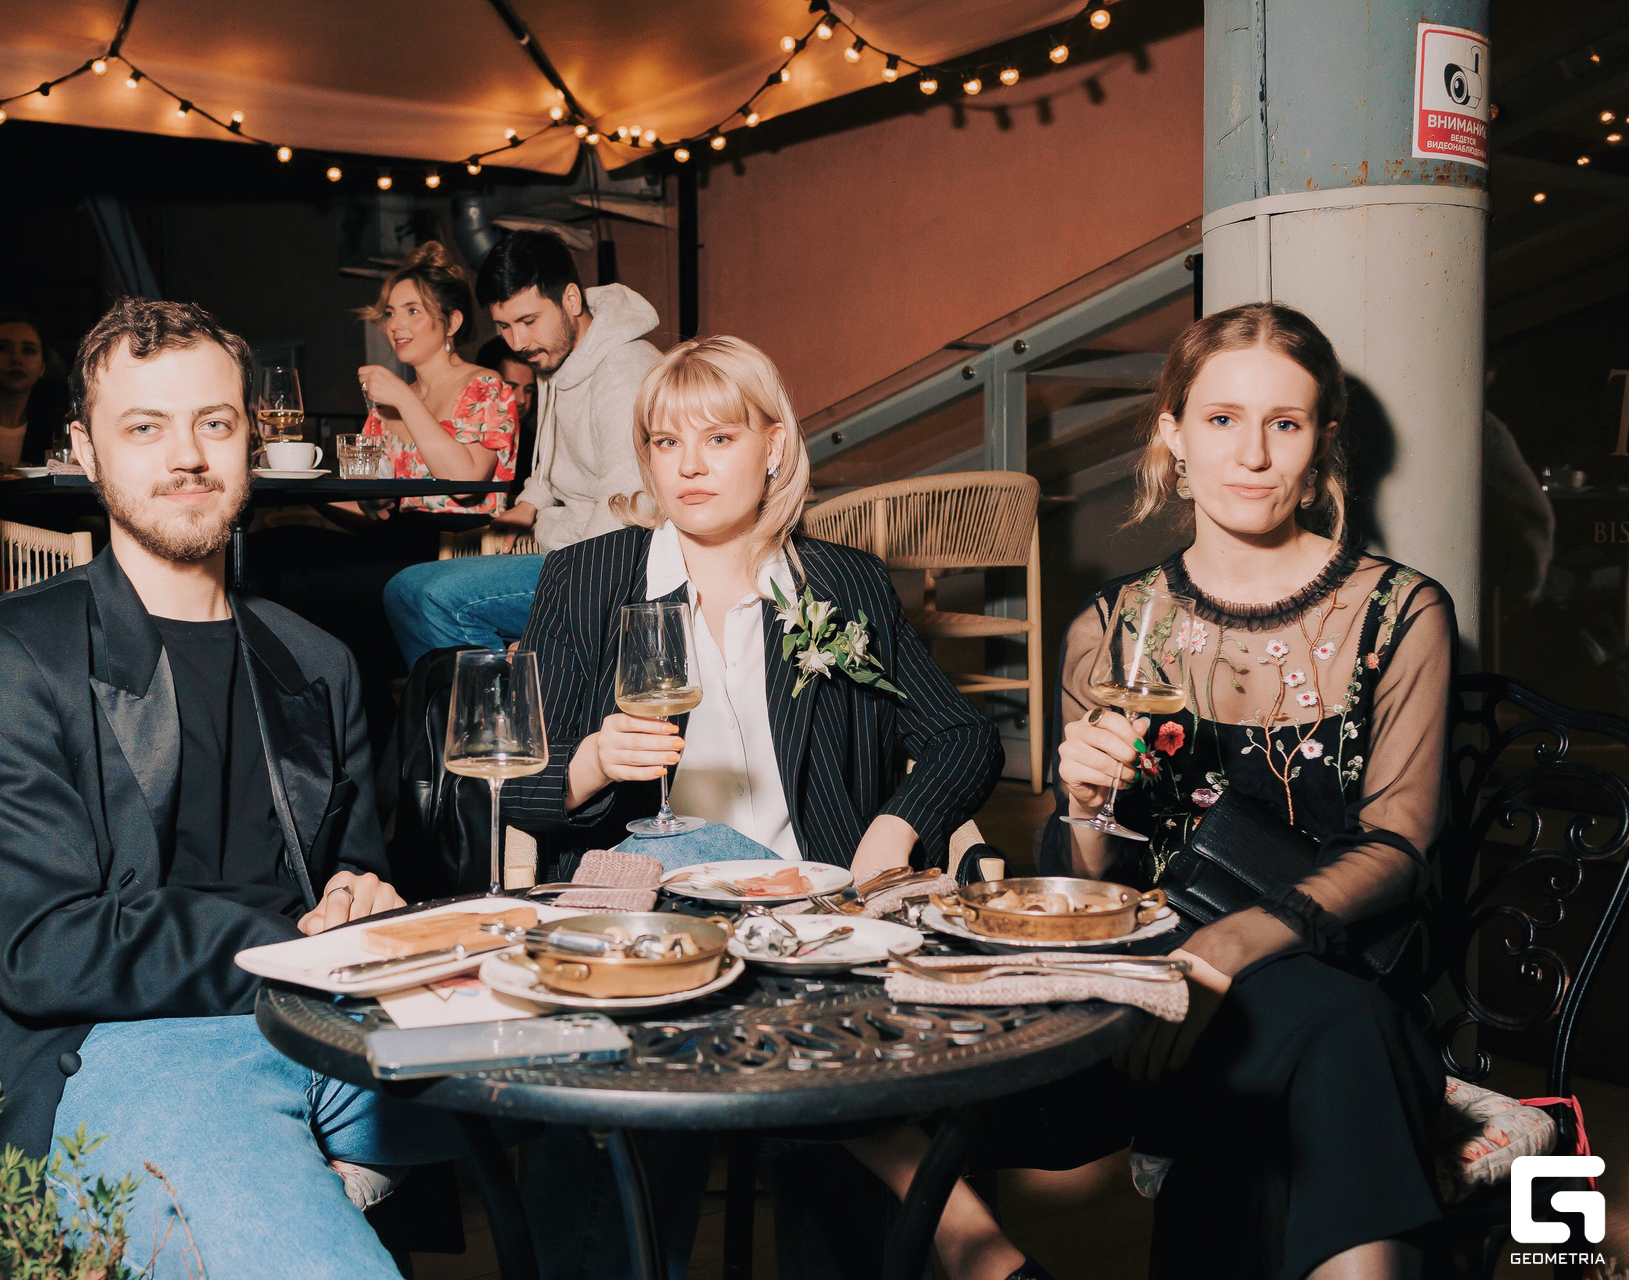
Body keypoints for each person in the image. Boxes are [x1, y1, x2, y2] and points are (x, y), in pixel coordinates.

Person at [0, 297, 459, 1279]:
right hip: (124, 1047)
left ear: (250, 439)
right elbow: (44, 948)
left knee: (608, 1101)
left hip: (325, 1026)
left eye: (214, 422)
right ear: (85, 451)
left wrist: (360, 894)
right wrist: (292, 944)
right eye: (145, 427)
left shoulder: (317, 661)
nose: (187, 456)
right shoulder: (5, 658)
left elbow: (354, 867)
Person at [500, 335, 1004, 1279]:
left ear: (773, 446)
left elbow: (964, 738)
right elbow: (510, 784)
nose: (688, 466)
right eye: (665, 443)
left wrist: (892, 828)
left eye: (719, 438)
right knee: (671, 913)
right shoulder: (589, 579)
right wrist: (594, 762)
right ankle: (962, 1227)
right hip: (641, 915)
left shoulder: (841, 584)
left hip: (814, 910)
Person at [980, 302, 1451, 1280]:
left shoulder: (1399, 611)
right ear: (1175, 434)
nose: (1254, 454)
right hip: (1153, 995)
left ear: (1321, 442)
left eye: (1286, 423)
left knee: (1338, 1032)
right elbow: (1089, 892)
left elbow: (1399, 847)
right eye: (1223, 418)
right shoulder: (1115, 628)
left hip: (1329, 973)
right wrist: (1082, 806)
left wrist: (1226, 948)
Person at [382, 229, 663, 671]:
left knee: (424, 594)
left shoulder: (623, 371)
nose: (516, 342)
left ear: (571, 299)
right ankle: (502, 702)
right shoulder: (558, 355)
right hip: (562, 552)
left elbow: (627, 507)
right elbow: (555, 459)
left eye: (528, 321)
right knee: (405, 588)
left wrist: (565, 615)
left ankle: (509, 704)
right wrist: (529, 502)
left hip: (611, 569)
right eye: (504, 326)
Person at [351, 241, 518, 519]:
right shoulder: (384, 410)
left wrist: (404, 398)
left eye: (412, 310)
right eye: (390, 313)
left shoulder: (484, 387)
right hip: (397, 537)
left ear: (451, 323)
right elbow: (372, 507)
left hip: (458, 541)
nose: (394, 325)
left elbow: (465, 484)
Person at [0, 311, 71, 471]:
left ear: (42, 366)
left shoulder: (59, 420)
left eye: (28, 350)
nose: (16, 359)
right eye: (3, 348)